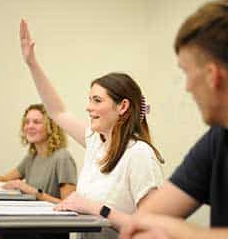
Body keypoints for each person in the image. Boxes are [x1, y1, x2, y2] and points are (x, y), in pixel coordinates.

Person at [19, 19, 164, 239]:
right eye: (89, 100)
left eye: (97, 100)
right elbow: (57, 112)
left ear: (122, 106)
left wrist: (94, 208)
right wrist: (32, 64)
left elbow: (150, 230)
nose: (89, 107)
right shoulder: (96, 141)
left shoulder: (140, 155)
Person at [119, 0, 228, 239]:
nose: (187, 87)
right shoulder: (217, 139)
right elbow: (143, 221)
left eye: (186, 72)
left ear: (213, 75)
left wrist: (184, 233)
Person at [0, 103, 77, 203]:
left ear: (51, 127)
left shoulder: (63, 158)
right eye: (27, 122)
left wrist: (34, 192)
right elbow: (4, 179)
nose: (29, 126)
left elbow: (69, 205)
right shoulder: (32, 158)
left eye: (36, 122)